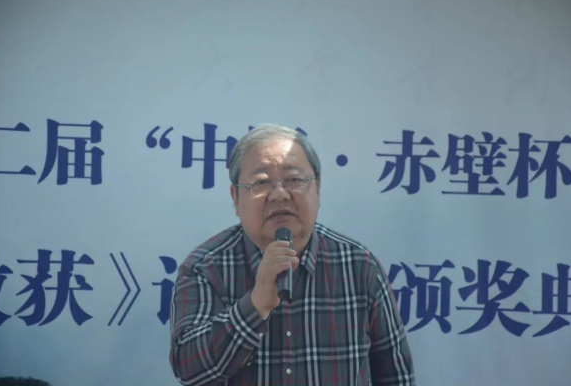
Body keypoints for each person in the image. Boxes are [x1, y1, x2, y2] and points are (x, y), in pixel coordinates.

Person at [170, 124, 415, 385]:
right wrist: (255, 305)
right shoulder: (205, 267)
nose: (279, 194)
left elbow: (395, 375)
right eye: (261, 182)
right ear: (236, 197)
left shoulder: (359, 266)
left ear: (317, 188)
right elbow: (189, 370)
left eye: (294, 180)